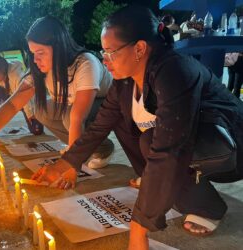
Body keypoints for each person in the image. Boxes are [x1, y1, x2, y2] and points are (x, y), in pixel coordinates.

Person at [31, 5, 243, 250]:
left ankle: (208, 207)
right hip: (193, 145)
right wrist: (64, 164)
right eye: (103, 51)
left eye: (110, 52)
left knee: (152, 142)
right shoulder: (123, 84)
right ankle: (165, 190)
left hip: (231, 147)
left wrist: (139, 227)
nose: (104, 60)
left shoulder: (175, 71)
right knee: (131, 128)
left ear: (140, 48)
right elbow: (98, 128)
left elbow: (169, 149)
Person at [0, 16, 114, 169]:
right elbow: (13, 104)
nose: (35, 60)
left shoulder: (85, 64)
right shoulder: (40, 70)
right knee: (41, 110)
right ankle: (83, 149)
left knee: (69, 116)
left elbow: (77, 118)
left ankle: (100, 149)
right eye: (33, 53)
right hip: (74, 104)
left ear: (59, 47)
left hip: (107, 103)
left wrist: (70, 165)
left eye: (41, 53)